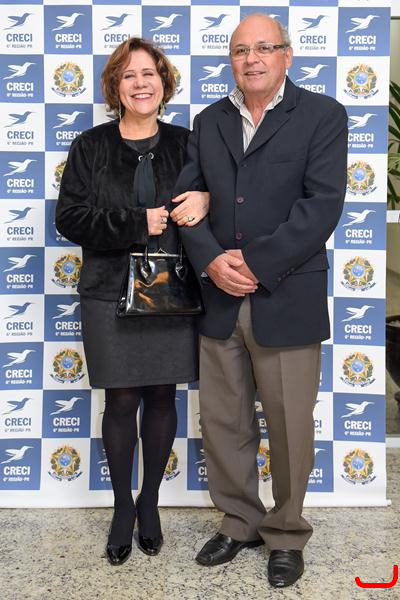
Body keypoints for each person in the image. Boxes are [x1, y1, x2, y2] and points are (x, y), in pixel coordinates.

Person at [175, 14, 348, 588]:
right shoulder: (210, 120)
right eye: (240, 50)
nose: (251, 59)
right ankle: (240, 521)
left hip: (285, 294)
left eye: (264, 48)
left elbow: (321, 207)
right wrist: (211, 261)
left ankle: (287, 533)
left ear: (287, 55)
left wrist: (253, 263)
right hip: (219, 295)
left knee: (290, 426)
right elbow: (187, 199)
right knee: (224, 422)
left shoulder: (322, 115)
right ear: (231, 59)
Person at [56, 37, 209, 566]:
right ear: (114, 87)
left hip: (172, 292)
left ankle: (150, 502)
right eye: (128, 75)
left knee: (163, 397)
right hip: (107, 291)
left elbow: (218, 205)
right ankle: (123, 507)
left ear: (164, 83)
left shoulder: (188, 144)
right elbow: (69, 218)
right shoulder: (90, 146)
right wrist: (136, 222)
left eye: (149, 74)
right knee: (120, 401)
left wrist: (207, 196)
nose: (140, 83)